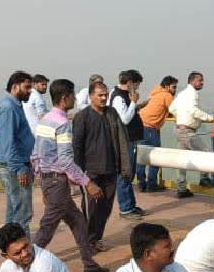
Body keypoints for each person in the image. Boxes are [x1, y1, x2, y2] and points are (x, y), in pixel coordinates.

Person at [32, 79, 111, 272]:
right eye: (73, 95)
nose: (76, 99)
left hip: (52, 182)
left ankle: (90, 266)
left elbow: (36, 155)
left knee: (78, 222)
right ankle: (19, 271)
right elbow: (66, 161)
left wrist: (42, 183)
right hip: (57, 183)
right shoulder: (63, 124)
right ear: (65, 97)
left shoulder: (45, 119)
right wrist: (88, 183)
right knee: (46, 230)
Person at [73, 81, 131, 253]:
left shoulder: (112, 113)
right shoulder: (82, 117)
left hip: (111, 170)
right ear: (91, 96)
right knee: (91, 210)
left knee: (105, 209)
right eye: (100, 95)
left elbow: (122, 139)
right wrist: (80, 175)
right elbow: (76, 147)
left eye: (105, 94)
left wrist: (125, 167)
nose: (104, 98)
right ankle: (87, 242)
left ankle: (96, 239)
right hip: (91, 172)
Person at [0, 72, 36, 235]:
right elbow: (7, 142)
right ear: (14, 87)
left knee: (14, 212)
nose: (29, 91)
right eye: (26, 87)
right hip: (14, 166)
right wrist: (19, 167)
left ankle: (10, 250)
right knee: (22, 215)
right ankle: (24, 256)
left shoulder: (14, 105)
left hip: (18, 163)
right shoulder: (8, 107)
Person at [168, 72, 214, 198]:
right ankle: (204, 178)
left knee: (182, 161)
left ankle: (181, 189)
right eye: (200, 80)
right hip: (187, 131)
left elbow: (171, 109)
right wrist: (210, 117)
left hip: (179, 129)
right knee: (206, 152)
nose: (202, 83)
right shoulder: (192, 93)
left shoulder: (182, 94)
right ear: (192, 81)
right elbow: (194, 111)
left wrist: (182, 116)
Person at [110, 70, 147, 218]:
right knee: (125, 174)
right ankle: (125, 208)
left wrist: (135, 105)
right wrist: (133, 103)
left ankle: (130, 205)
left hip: (130, 140)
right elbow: (124, 119)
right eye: (137, 85)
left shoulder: (121, 94)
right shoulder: (119, 97)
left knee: (129, 174)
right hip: (126, 140)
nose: (137, 88)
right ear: (130, 83)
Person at [137, 76, 178, 193]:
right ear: (166, 87)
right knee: (155, 156)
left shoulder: (155, 94)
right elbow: (175, 110)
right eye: (173, 87)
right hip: (150, 128)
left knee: (142, 156)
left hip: (141, 125)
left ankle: (141, 182)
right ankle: (151, 184)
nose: (175, 90)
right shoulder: (167, 95)